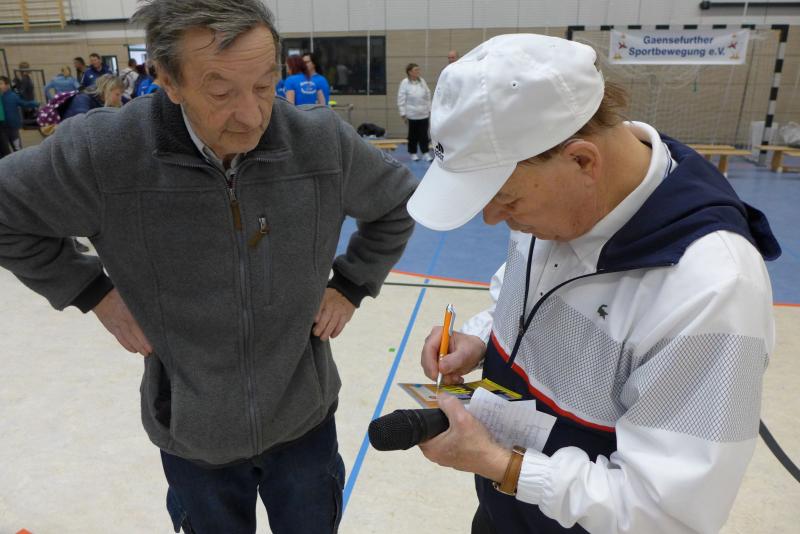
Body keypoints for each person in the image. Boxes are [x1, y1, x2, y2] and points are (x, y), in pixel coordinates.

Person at [0, 1, 416, 533]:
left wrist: (353, 283)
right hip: (193, 435)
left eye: (264, 85)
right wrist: (90, 291)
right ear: (167, 80)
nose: (252, 115)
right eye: (221, 93)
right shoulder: (105, 153)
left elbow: (398, 204)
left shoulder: (320, 143)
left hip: (304, 423)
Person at [407, 34, 780, 534]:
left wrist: (500, 464)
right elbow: (528, 291)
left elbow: (666, 515)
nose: (492, 219)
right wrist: (481, 336)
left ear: (583, 160)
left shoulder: (712, 288)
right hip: (505, 513)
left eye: (506, 200)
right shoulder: (560, 201)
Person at [397, 63, 432, 162]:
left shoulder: (422, 81)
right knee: (413, 135)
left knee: (424, 135)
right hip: (411, 114)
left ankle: (425, 153)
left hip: (423, 114)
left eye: (418, 70)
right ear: (410, 72)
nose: (418, 72)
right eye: (416, 70)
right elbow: (401, 98)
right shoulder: (404, 83)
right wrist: (403, 113)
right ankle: (413, 153)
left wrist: (430, 109)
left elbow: (428, 95)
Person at [0, 76, 39, 151]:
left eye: (1, 84)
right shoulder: (1, 97)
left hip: (13, 127)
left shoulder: (13, 96)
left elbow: (23, 103)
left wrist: (35, 103)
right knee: (4, 149)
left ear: (7, 85)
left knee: (17, 147)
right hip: (2, 127)